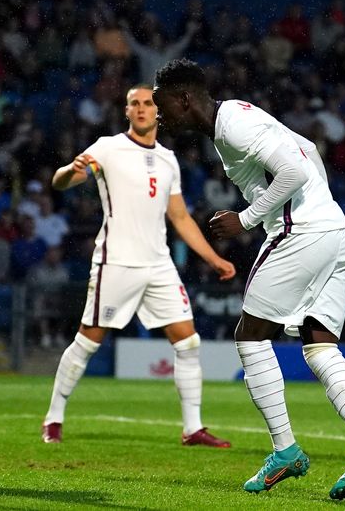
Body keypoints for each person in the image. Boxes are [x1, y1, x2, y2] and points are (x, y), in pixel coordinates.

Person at [152, 58, 345, 500]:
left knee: (250, 337)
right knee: (320, 346)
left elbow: (296, 171)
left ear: (185, 98)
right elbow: (311, 153)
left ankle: (285, 452)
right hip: (335, 232)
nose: (159, 115)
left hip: (299, 233)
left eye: (162, 104)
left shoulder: (232, 126)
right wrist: (319, 210)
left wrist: (246, 220)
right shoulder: (240, 115)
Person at [41, 83, 236, 448]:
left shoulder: (168, 159)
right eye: (135, 104)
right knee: (87, 342)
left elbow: (179, 217)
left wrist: (213, 257)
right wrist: (70, 168)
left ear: (158, 111)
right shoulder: (108, 148)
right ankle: (53, 417)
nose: (142, 109)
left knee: (188, 342)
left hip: (158, 264)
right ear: (127, 111)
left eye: (148, 103)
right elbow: (61, 182)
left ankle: (192, 428)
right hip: (116, 261)